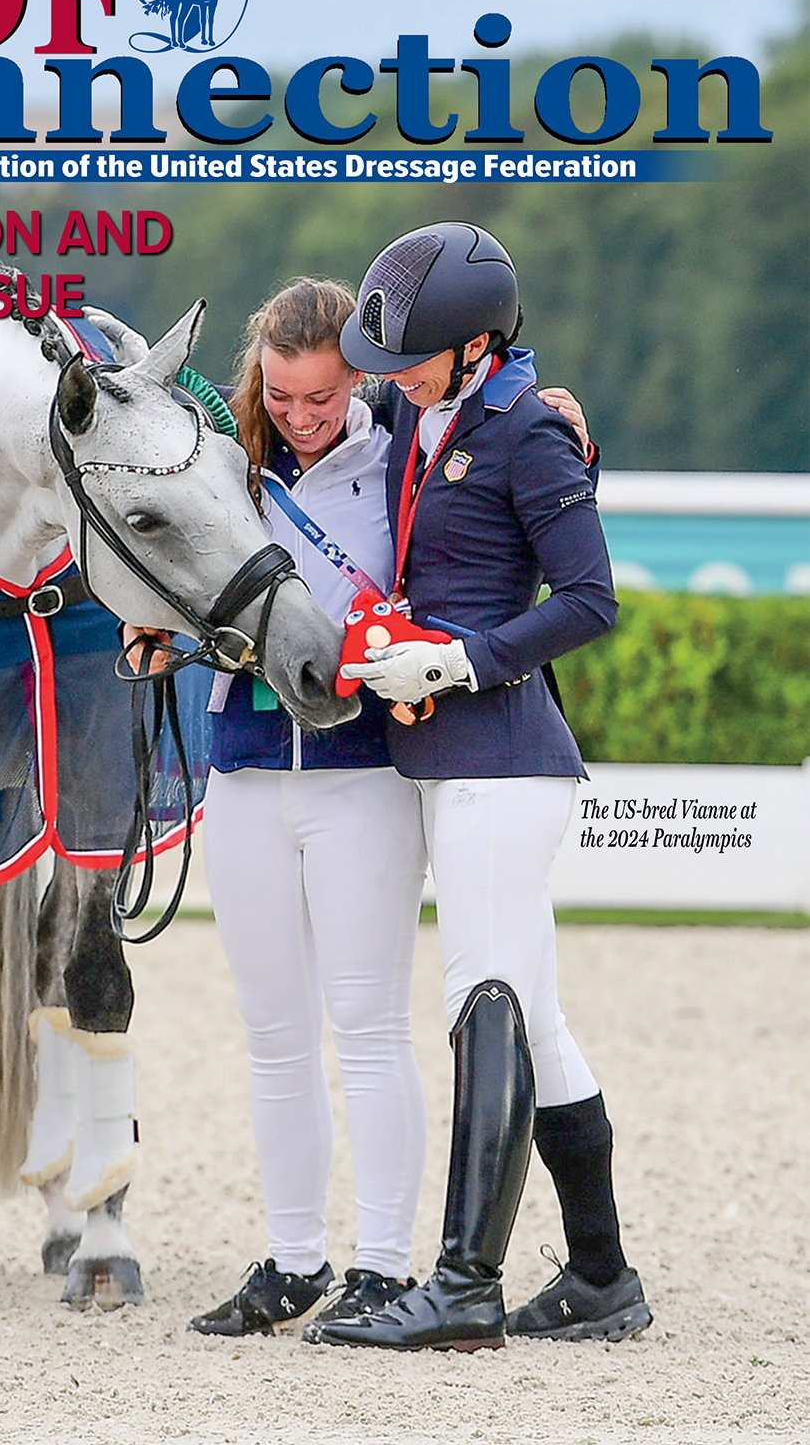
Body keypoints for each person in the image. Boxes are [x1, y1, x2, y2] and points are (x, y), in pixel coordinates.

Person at [131, 278, 595, 1339]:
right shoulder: (222, 463)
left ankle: (381, 1266)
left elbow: (504, 468)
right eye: (281, 395)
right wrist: (151, 629)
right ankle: (293, 1258)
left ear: (362, 379)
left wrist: (568, 423)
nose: (301, 416)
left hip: (362, 770)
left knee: (370, 1028)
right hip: (245, 766)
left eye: (323, 395)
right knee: (271, 1034)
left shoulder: (402, 452)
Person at [311, 221, 651, 1352]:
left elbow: (590, 599)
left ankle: (464, 1284)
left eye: (411, 358)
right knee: (537, 1021)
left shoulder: (526, 430)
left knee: (485, 1000)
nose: (391, 377)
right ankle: (600, 1277)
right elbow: (302, 408)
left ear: (477, 344)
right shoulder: (418, 412)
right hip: (436, 759)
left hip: (501, 759)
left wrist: (462, 661)